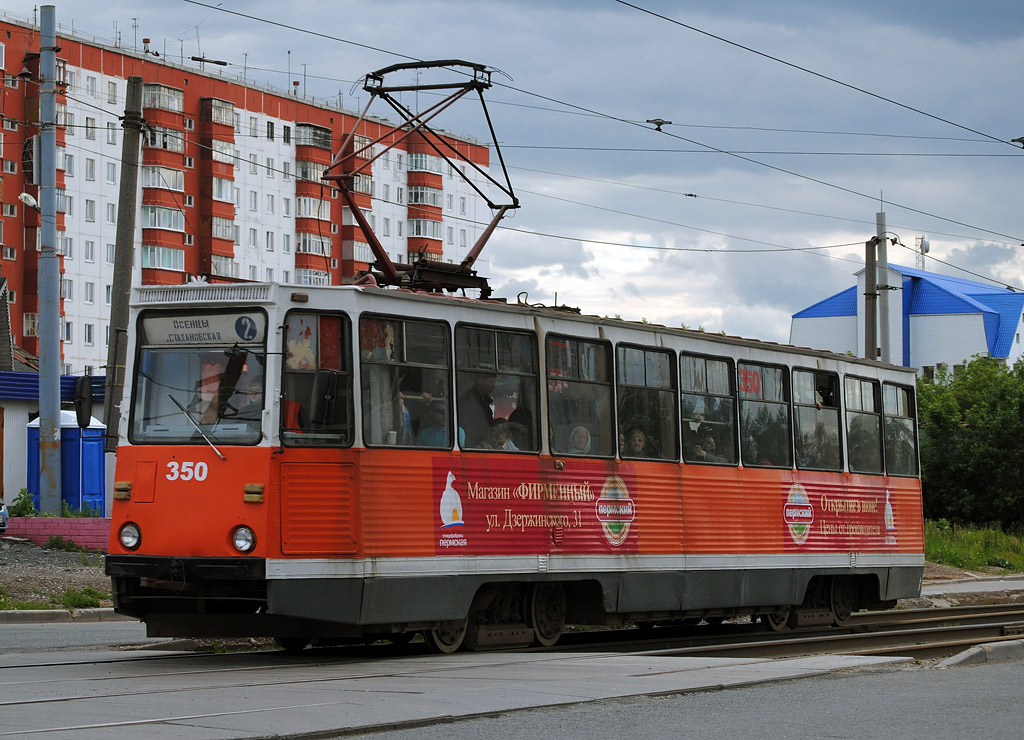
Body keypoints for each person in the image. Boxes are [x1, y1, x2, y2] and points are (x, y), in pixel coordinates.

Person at [458, 373, 497, 447]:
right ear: (481, 381)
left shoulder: (484, 400)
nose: (494, 386)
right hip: (473, 442)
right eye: (491, 382)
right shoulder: (469, 399)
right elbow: (472, 424)